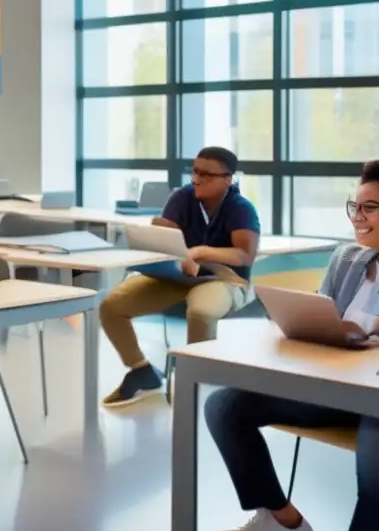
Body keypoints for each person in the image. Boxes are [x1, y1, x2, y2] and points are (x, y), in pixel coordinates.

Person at [205, 159, 379, 531]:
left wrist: (377, 325)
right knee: (224, 405)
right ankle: (284, 523)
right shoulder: (347, 260)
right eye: (354, 207)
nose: (357, 219)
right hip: (333, 388)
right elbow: (323, 314)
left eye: (369, 208)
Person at [99, 146, 260, 407]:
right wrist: (158, 239)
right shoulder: (182, 198)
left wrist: (200, 252)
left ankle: (196, 381)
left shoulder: (241, 208)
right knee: (111, 306)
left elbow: (244, 255)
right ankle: (141, 371)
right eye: (194, 172)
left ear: (228, 179)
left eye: (206, 175)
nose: (196, 179)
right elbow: (169, 240)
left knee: (201, 311)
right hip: (178, 277)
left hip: (225, 279)